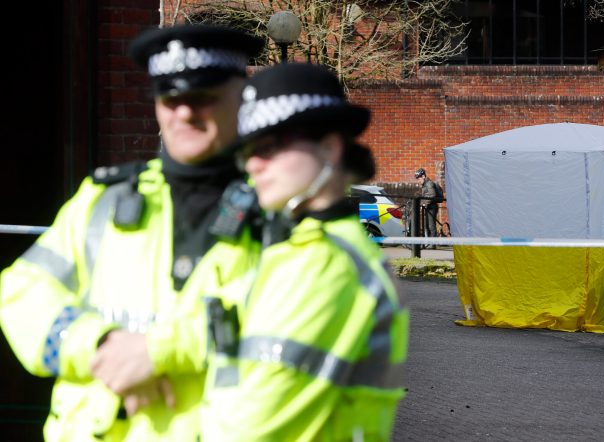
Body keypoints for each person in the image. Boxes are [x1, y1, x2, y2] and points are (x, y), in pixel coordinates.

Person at [0, 24, 263, 440]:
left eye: (203, 97)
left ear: (241, 98)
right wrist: (100, 346)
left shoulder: (280, 212)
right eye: (170, 98)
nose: (184, 112)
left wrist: (156, 355)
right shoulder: (102, 201)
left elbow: (297, 324)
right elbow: (20, 292)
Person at [201, 62, 409, 441]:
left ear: (329, 148)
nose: (253, 163)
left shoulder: (327, 264)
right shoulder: (296, 249)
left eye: (269, 147)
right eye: (247, 150)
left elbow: (256, 423)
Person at [415, 167, 440, 240]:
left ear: (423, 176)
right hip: (429, 207)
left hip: (432, 207)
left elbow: (432, 195)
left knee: (431, 225)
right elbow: (426, 195)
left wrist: (424, 204)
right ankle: (429, 241)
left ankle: (433, 242)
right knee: (427, 225)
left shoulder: (429, 183)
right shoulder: (425, 184)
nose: (418, 181)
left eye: (419, 179)